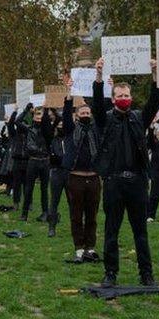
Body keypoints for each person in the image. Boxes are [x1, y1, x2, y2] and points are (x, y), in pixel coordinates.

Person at [93, 57, 159, 288]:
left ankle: (146, 273)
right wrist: (100, 77)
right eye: (119, 96)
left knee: (140, 232)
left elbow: (155, 102)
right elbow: (96, 107)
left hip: (137, 182)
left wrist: (155, 74)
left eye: (126, 96)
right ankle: (110, 273)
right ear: (113, 100)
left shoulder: (138, 118)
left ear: (131, 98)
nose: (123, 99)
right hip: (113, 182)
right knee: (111, 231)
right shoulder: (107, 120)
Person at [60, 84, 101, 262]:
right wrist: (69, 94)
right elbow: (65, 112)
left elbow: (101, 108)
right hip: (75, 177)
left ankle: (90, 248)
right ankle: (78, 248)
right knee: (76, 215)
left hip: (93, 178)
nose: (85, 115)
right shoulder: (71, 130)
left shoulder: (96, 130)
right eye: (82, 113)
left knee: (92, 216)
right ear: (76, 115)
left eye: (87, 113)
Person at [20, 105, 50, 222]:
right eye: (36, 116)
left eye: (40, 116)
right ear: (33, 117)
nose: (38, 118)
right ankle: (24, 213)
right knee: (29, 188)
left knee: (44, 189)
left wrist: (47, 108)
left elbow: (57, 120)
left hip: (44, 160)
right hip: (33, 160)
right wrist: (26, 109)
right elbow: (17, 121)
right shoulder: (29, 128)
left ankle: (45, 212)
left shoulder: (47, 129)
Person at [46, 111, 67, 237]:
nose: (61, 125)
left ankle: (76, 227)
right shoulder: (52, 139)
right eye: (59, 124)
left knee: (73, 201)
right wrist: (50, 106)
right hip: (56, 171)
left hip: (68, 172)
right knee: (54, 201)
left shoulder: (70, 138)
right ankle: (52, 227)